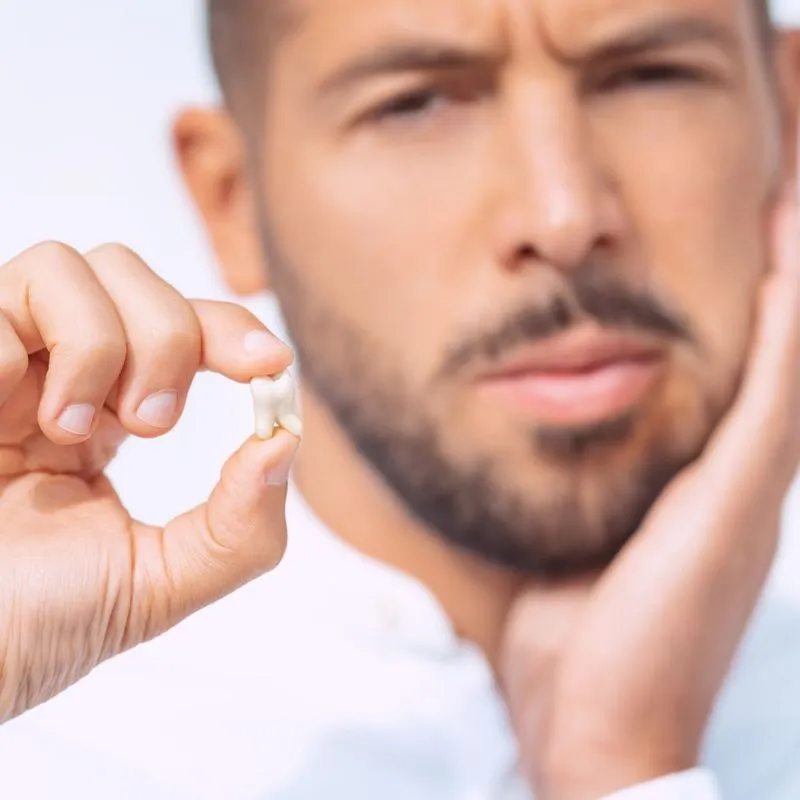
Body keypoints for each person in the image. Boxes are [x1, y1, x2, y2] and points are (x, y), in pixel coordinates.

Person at [1, 0, 800, 797]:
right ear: (232, 200)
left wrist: (621, 769)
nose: (564, 217)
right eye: (414, 101)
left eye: (649, 76)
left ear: (790, 121)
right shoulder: (44, 744)